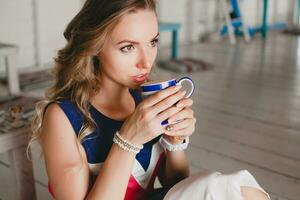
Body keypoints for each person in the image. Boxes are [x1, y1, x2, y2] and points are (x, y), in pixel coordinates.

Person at [29, 0, 270, 199]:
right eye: (128, 47)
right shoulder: (62, 117)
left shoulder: (142, 98)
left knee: (240, 191)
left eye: (152, 42)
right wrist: (127, 140)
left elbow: (175, 184)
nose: (146, 62)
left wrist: (174, 142)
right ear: (95, 46)